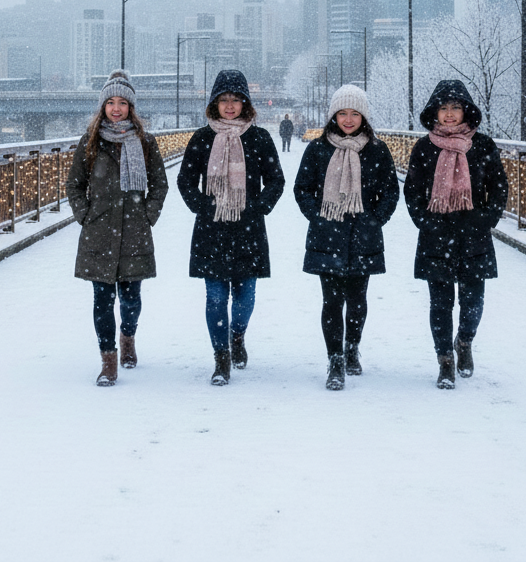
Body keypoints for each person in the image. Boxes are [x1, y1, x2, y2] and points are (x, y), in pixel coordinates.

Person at [177, 69, 285, 385]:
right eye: (223, 99)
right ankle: (220, 356)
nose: (229, 105)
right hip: (211, 230)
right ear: (214, 103)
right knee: (214, 296)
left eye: (235, 99)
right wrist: (203, 206)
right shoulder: (201, 138)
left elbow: (276, 179)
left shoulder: (260, 138)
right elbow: (185, 180)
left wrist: (258, 207)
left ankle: (237, 335)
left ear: (245, 103)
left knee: (245, 297)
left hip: (248, 229)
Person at [403, 79, 508, 390]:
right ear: (435, 112)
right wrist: (425, 221)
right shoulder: (424, 147)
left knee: (474, 301)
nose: (449, 114)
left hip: (474, 234)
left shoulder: (483, 145)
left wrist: (486, 219)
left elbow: (499, 187)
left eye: (455, 108)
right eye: (444, 108)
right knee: (440, 302)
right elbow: (412, 191)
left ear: (466, 111)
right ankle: (445, 359)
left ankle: (464, 341)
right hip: (437, 234)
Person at [67, 70, 169, 387]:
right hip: (98, 233)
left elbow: (159, 185)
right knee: (101, 300)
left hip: (134, 233)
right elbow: (74, 186)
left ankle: (128, 338)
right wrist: (86, 215)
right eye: (110, 102)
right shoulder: (90, 143)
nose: (115, 108)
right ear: (102, 107)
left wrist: (147, 215)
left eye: (122, 103)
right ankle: (108, 362)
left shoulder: (145, 142)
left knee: (131, 300)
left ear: (130, 108)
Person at [293, 85, 399, 390]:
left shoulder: (377, 150)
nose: (349, 119)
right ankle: (335, 359)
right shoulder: (317, 149)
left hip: (364, 236)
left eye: (355, 113)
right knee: (331, 300)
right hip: (328, 236)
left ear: (363, 116)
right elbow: (302, 189)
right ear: (333, 116)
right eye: (343, 113)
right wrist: (318, 216)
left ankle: (352, 347)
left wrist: (375, 219)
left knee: (357, 300)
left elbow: (391, 191)